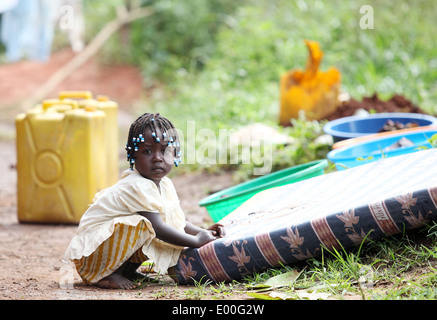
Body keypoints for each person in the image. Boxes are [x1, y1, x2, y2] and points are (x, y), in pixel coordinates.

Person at [63, 113, 224, 289]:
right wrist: (196, 241)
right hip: (93, 258)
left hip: (106, 251)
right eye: (147, 151)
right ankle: (108, 275)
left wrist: (202, 232)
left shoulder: (165, 184)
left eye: (165, 150)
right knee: (144, 225)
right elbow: (158, 228)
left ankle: (128, 271)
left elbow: (175, 222)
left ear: (175, 154)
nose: (157, 157)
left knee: (146, 226)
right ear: (133, 155)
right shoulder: (137, 185)